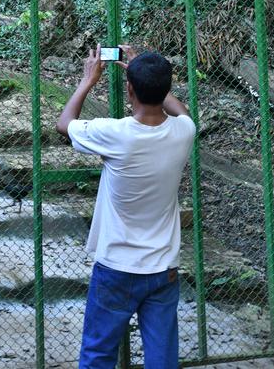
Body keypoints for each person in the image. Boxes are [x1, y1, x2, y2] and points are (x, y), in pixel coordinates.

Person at [55, 44, 196, 369]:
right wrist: (143, 71)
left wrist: (88, 80)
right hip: (164, 268)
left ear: (129, 90)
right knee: (162, 358)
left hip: (116, 267)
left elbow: (65, 124)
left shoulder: (114, 133)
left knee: (98, 355)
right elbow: (181, 111)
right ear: (167, 90)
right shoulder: (183, 132)